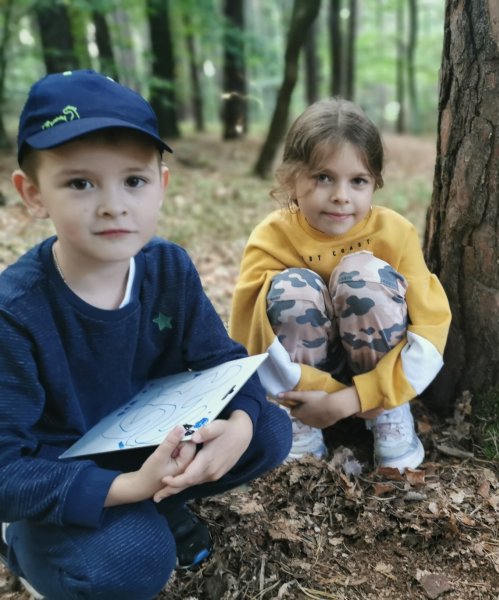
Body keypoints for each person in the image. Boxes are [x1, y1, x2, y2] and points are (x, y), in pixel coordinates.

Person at [0, 70, 292, 599]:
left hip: (143, 438)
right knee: (138, 563)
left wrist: (241, 425)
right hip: (60, 467)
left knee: (268, 429)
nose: (113, 204)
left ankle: (159, 501)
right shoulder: (16, 312)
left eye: (133, 181)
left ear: (162, 185)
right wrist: (130, 486)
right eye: (80, 183)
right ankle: (23, 544)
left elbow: (224, 363)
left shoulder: (167, 269)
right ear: (33, 194)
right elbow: (4, 470)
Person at [229, 98, 451, 473]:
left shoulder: (394, 233)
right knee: (292, 288)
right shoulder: (271, 238)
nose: (341, 196)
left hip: (380, 383)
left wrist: (357, 399)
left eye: (358, 181)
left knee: (362, 275)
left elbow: (431, 328)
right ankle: (299, 422)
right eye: (323, 177)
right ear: (291, 178)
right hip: (302, 386)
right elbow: (251, 334)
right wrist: (316, 398)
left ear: (375, 183)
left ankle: (389, 418)